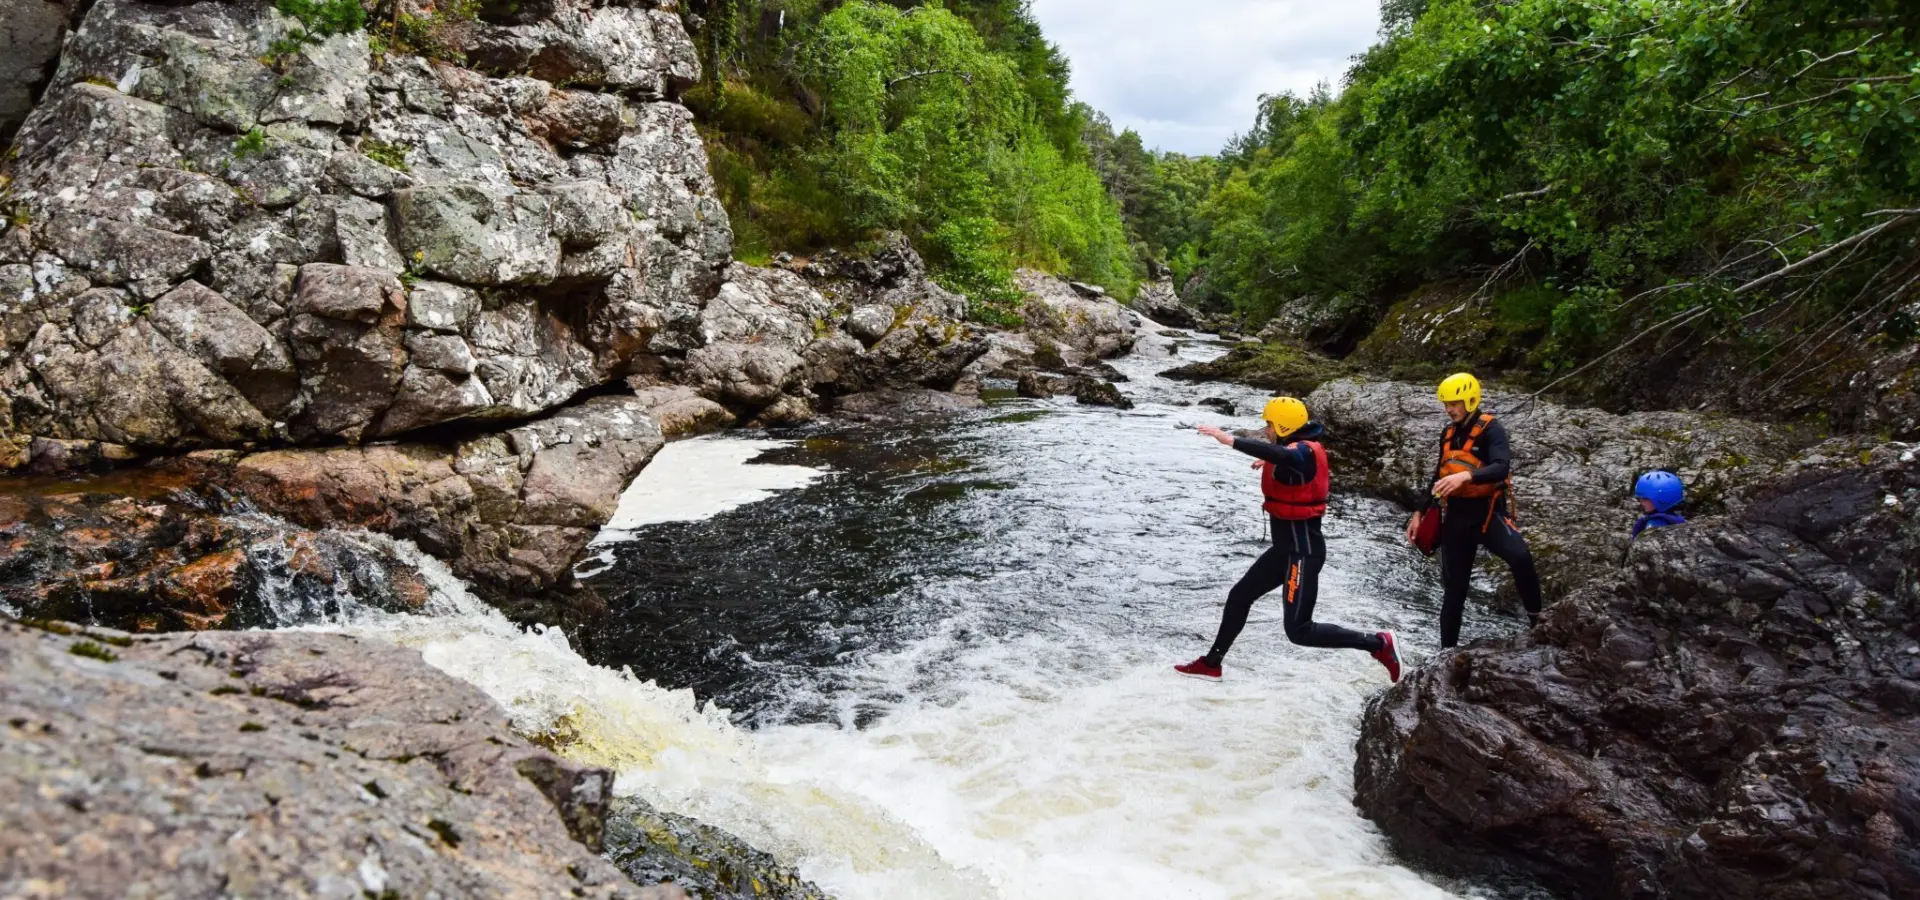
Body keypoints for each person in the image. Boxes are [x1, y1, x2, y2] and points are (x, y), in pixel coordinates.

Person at [1175, 397, 1402, 683]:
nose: (1267, 429)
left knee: (1299, 630)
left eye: (1269, 424)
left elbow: (1290, 457)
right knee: (1239, 597)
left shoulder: (1303, 453)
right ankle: (1211, 664)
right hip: (1285, 551)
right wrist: (1269, 457)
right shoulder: (1292, 449)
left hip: (1303, 553)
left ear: (1283, 426)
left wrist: (1229, 440)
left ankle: (1379, 644)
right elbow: (1283, 456)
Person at [1403, 373, 1543, 649]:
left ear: (1470, 400)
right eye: (1446, 404)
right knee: (1454, 591)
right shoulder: (1448, 433)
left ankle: (1538, 621)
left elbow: (1501, 466)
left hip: (1488, 514)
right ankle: (1446, 652)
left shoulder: (1492, 430)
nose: (1449, 409)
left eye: (1454, 403)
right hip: (1456, 518)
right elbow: (1438, 477)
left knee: (1520, 557)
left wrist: (1467, 477)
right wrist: (1419, 513)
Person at [1630, 470, 1687, 538]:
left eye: (1645, 499)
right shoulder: (1676, 518)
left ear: (1662, 499)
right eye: (1640, 499)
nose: (1641, 502)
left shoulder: (1655, 523)